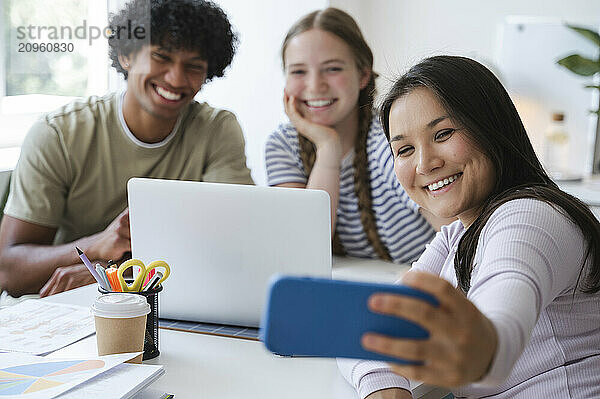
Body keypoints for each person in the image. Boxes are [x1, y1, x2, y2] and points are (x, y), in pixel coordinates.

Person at [339, 55, 600, 398]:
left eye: (443, 133)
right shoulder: (459, 234)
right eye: (404, 149)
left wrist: (481, 349)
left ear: (491, 127)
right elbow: (361, 326)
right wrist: (385, 388)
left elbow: (501, 324)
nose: (425, 163)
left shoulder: (530, 216)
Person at [0, 0, 253, 298]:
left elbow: (233, 248)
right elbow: (8, 271)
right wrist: (96, 246)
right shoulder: (60, 134)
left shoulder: (216, 130)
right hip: (65, 308)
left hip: (167, 302)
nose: (176, 78)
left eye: (193, 66)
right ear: (126, 55)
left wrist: (110, 273)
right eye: (161, 57)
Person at [265, 8, 446, 264]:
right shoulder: (282, 145)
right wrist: (328, 148)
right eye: (298, 72)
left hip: (416, 282)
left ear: (362, 75)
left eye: (333, 69)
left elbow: (456, 231)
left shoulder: (389, 138)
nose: (315, 85)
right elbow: (300, 248)